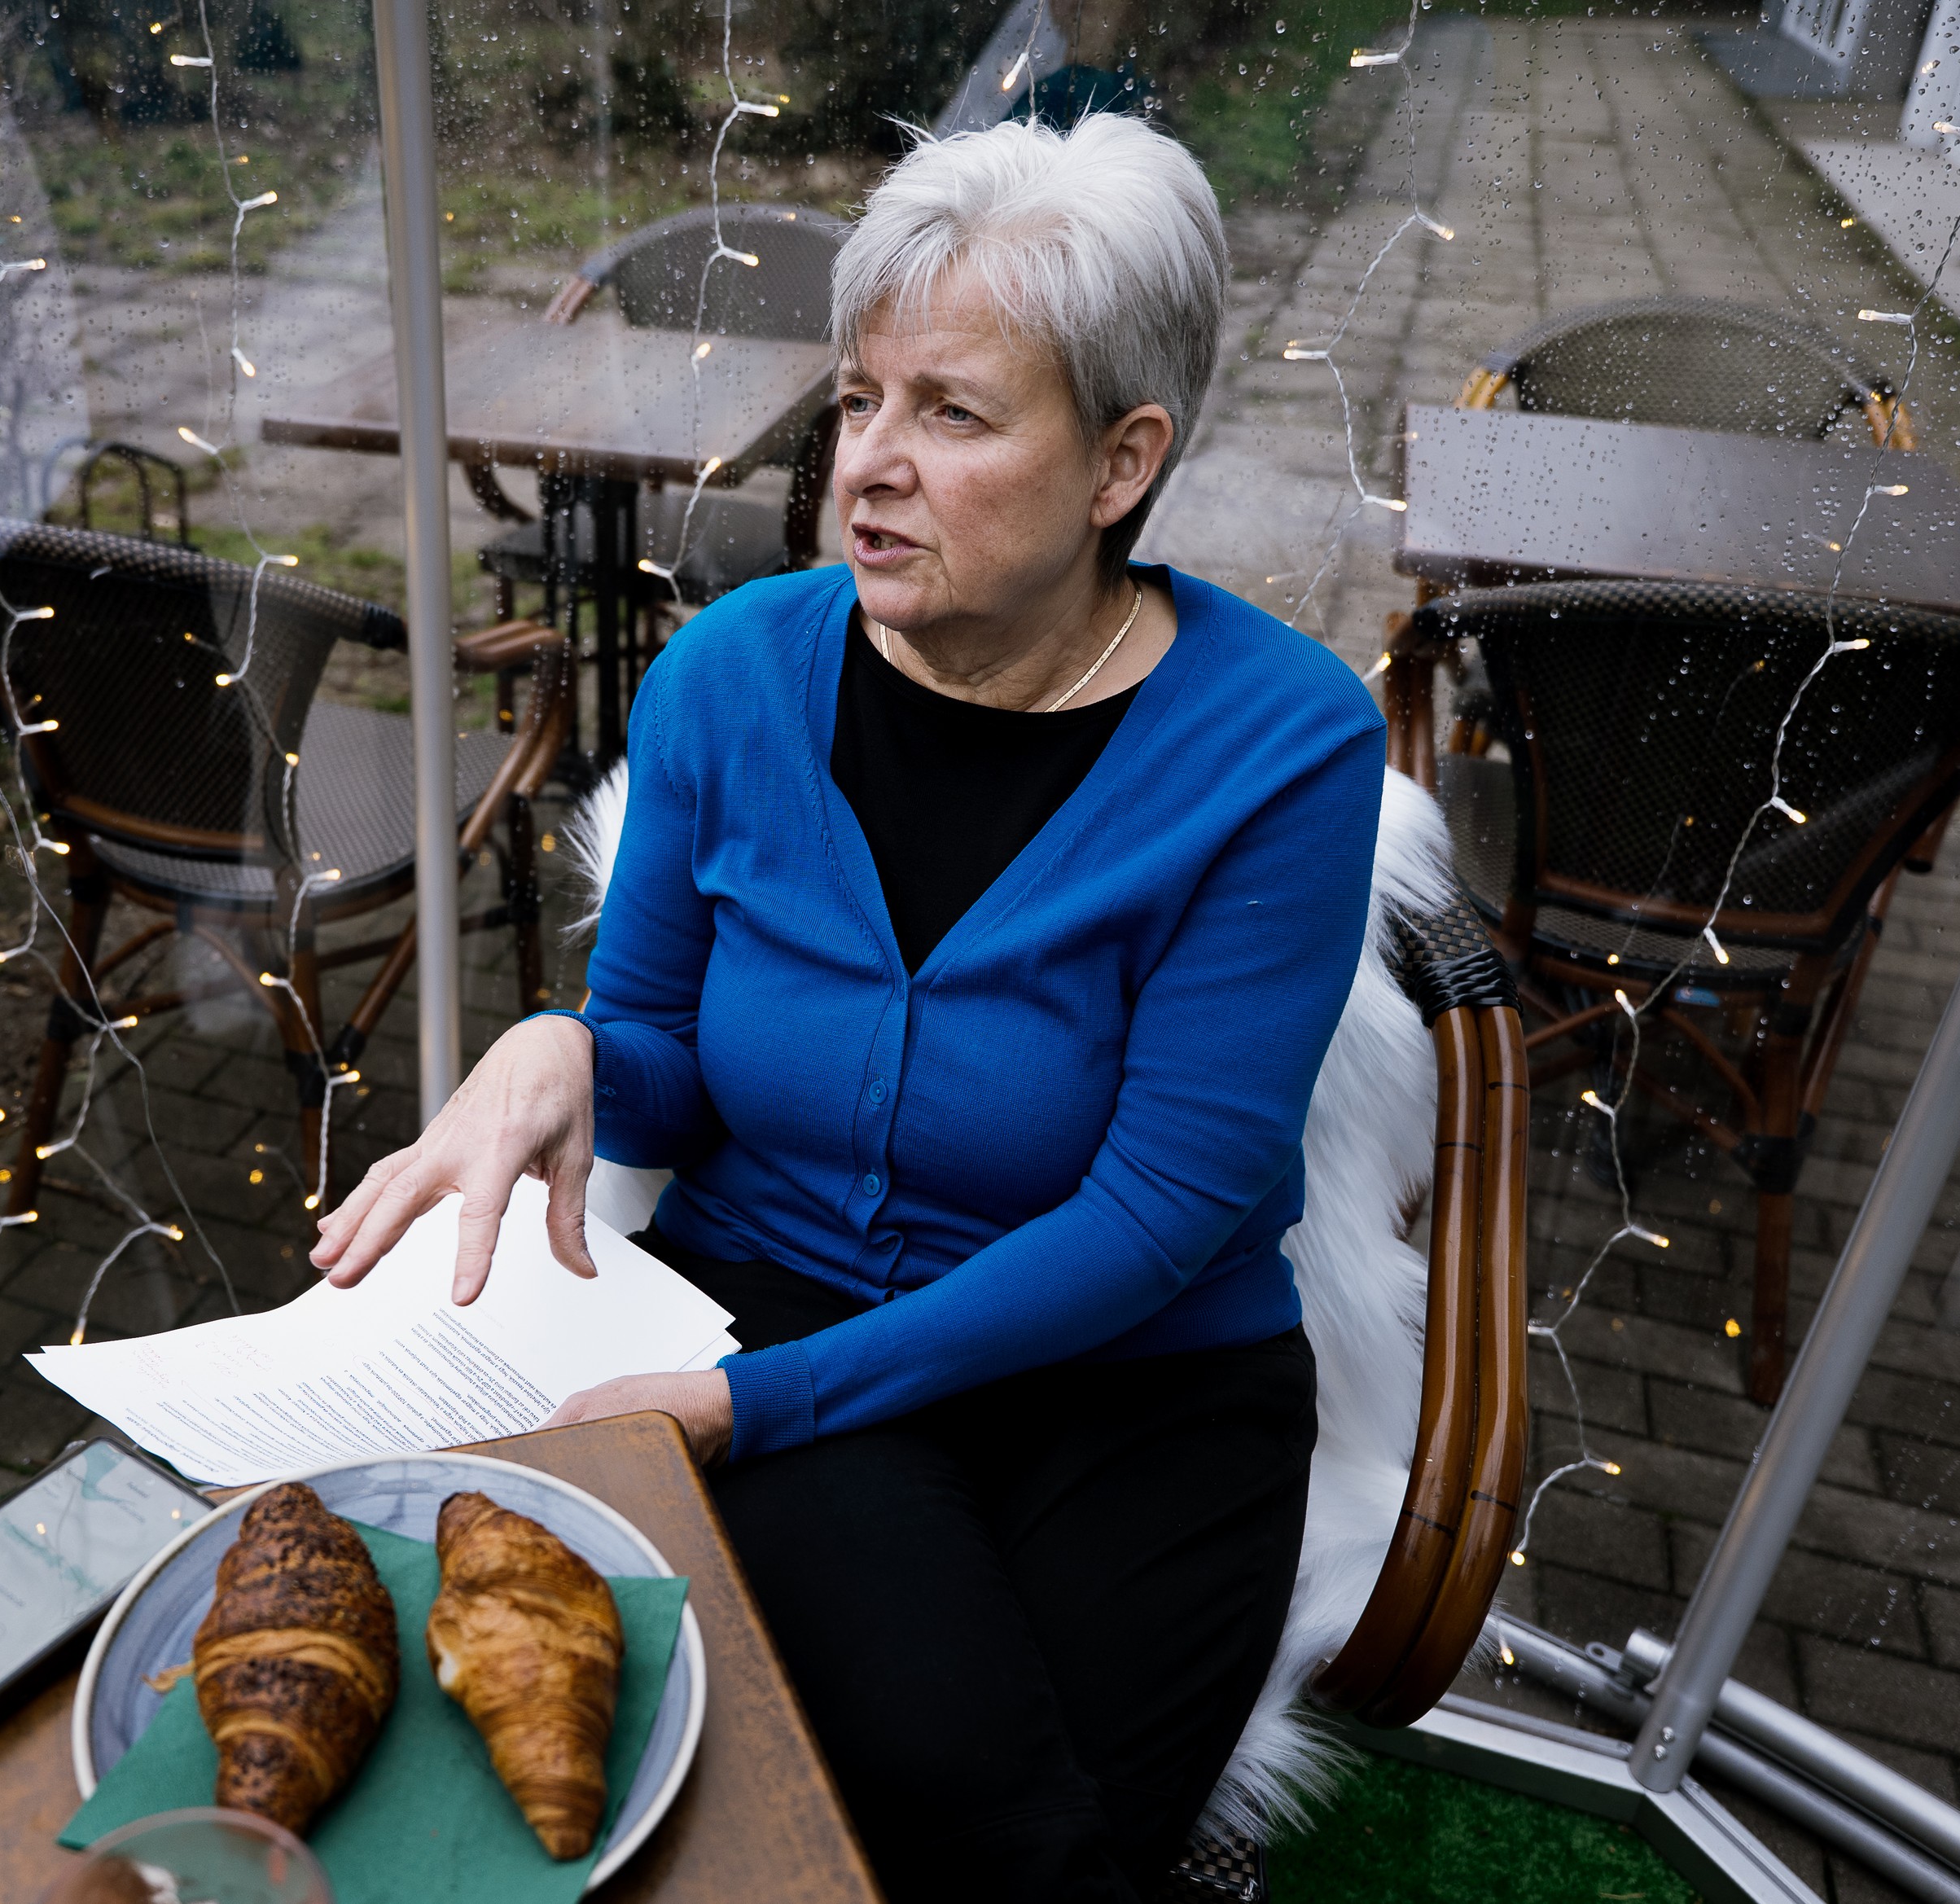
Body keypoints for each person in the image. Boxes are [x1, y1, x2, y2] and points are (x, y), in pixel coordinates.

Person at [313, 112, 1384, 1903]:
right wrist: (559, 1048)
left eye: (952, 413)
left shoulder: (1283, 747)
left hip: (1136, 1373)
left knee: (1042, 1847)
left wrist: (758, 1408)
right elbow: (668, 1070)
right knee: (946, 1808)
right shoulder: (729, 672)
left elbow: (1161, 1211)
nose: (867, 463)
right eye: (863, 396)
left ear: (1121, 462)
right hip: (782, 1303)